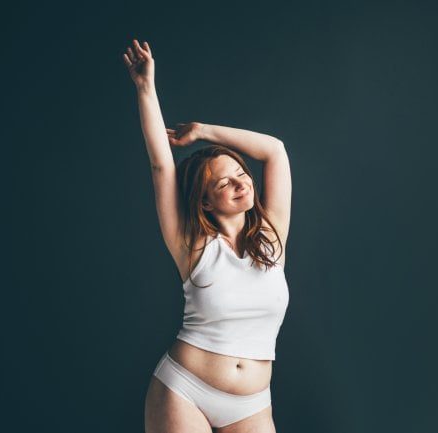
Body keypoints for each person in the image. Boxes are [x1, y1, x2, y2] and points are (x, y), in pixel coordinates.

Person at [123, 39, 292, 433]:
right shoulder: (192, 245)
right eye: (224, 183)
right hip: (184, 390)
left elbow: (275, 150)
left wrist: (203, 131)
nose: (241, 183)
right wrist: (145, 88)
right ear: (204, 201)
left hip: (251, 403)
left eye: (241, 173)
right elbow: (161, 166)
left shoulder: (272, 238)